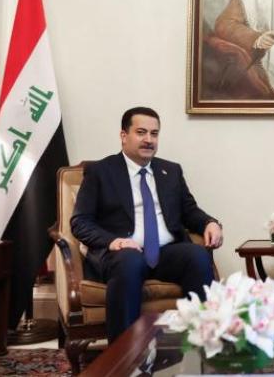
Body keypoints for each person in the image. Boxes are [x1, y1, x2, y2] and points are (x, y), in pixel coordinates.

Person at [71, 107, 223, 342]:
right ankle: (124, 350)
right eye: (141, 132)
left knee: (197, 256)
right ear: (124, 136)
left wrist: (210, 223)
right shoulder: (100, 172)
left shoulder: (171, 171)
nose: (149, 140)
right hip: (122, 254)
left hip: (166, 252)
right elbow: (80, 222)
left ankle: (203, 342)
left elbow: (189, 211)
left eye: (154, 133)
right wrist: (114, 241)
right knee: (130, 261)